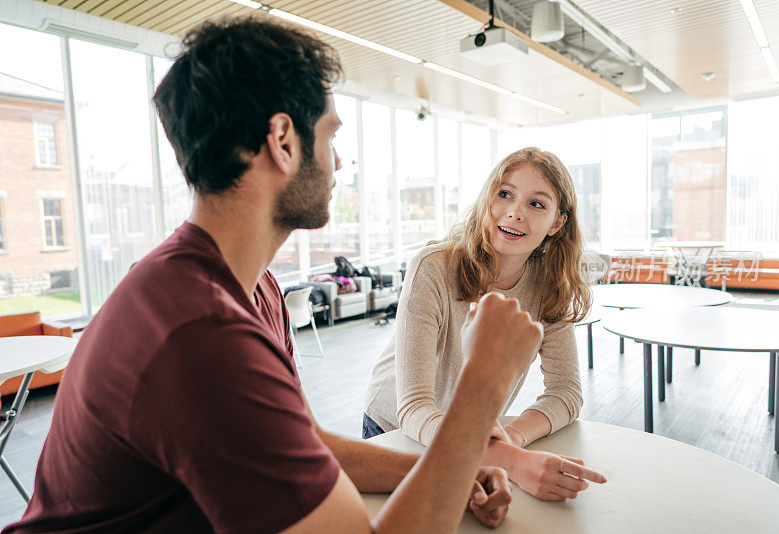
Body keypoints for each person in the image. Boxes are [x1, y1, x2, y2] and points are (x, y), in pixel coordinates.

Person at [1, 16, 563, 534]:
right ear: (284, 141)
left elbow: (306, 444)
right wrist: (483, 383)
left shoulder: (250, 286)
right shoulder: (196, 329)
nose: (339, 162)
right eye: (331, 136)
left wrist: (451, 472)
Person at [364, 147, 607, 501]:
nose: (514, 213)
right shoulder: (432, 267)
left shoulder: (550, 287)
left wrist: (510, 439)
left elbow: (566, 392)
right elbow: (414, 406)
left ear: (558, 222)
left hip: (478, 436)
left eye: (536, 204)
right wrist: (507, 458)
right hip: (397, 429)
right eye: (505, 194)